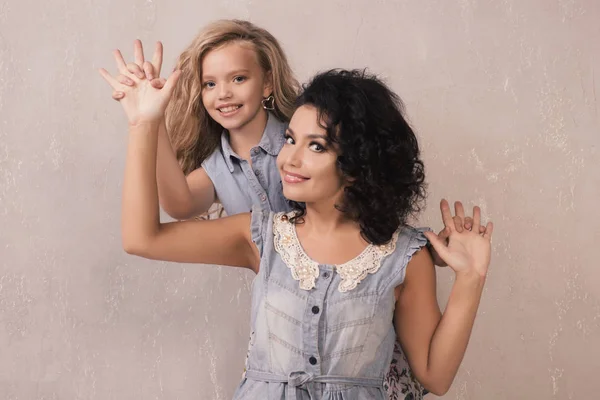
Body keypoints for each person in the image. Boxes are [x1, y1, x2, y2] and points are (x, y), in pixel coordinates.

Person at [100, 61, 493, 398]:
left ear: (358, 165)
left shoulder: (405, 256)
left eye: (316, 146)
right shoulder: (261, 237)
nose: (290, 157)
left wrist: (470, 279)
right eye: (291, 139)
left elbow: (434, 376)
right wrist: (143, 124)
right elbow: (141, 239)